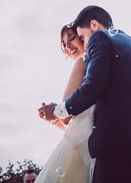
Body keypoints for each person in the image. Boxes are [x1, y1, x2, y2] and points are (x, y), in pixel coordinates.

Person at [41, 5, 131, 183]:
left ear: (94, 25)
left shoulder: (100, 37)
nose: (85, 42)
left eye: (82, 37)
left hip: (114, 152)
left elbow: (93, 87)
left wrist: (58, 110)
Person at [35, 24, 95, 183]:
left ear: (83, 37)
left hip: (84, 152)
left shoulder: (82, 61)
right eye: (63, 43)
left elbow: (67, 115)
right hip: (88, 148)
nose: (67, 45)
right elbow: (75, 128)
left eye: (71, 38)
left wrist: (57, 111)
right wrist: (55, 120)